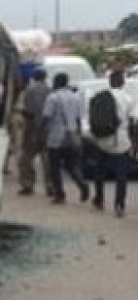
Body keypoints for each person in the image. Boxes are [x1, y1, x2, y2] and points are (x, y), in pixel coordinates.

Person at [92, 70, 137, 217]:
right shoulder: (128, 99)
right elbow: (132, 122)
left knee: (99, 171)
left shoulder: (100, 96)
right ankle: (119, 204)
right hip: (121, 140)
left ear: (110, 82)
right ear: (122, 83)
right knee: (121, 174)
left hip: (102, 139)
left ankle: (99, 199)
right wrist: (134, 141)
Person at [42, 72, 89, 204]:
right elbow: (79, 118)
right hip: (71, 135)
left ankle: (60, 194)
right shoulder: (76, 97)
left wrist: (41, 132)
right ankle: (82, 184)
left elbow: (46, 116)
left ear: (56, 82)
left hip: (55, 137)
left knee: (54, 167)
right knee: (71, 165)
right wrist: (78, 134)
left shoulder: (52, 98)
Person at [17, 68, 52, 195]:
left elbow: (26, 109)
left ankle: (27, 184)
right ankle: (50, 186)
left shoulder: (29, 90)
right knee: (47, 159)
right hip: (47, 127)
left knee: (26, 158)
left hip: (32, 126)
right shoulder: (50, 90)